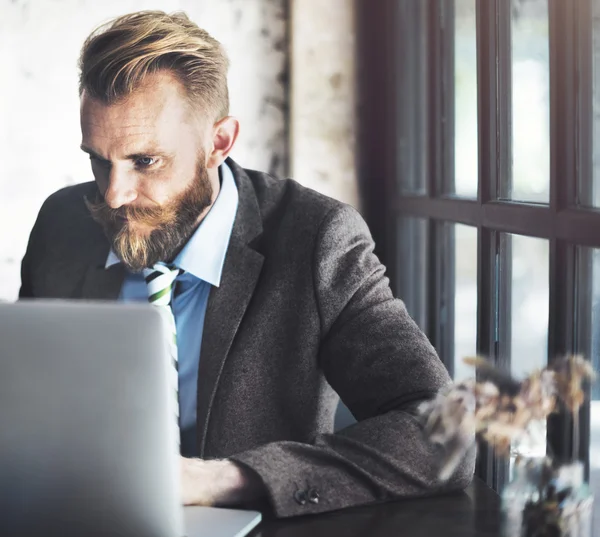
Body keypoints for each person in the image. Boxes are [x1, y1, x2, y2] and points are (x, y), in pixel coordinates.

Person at [19, 10, 474, 518]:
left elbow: (444, 435)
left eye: (145, 161)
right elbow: (22, 405)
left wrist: (221, 479)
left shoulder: (319, 239)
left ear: (219, 142)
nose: (114, 193)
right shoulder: (62, 224)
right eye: (99, 159)